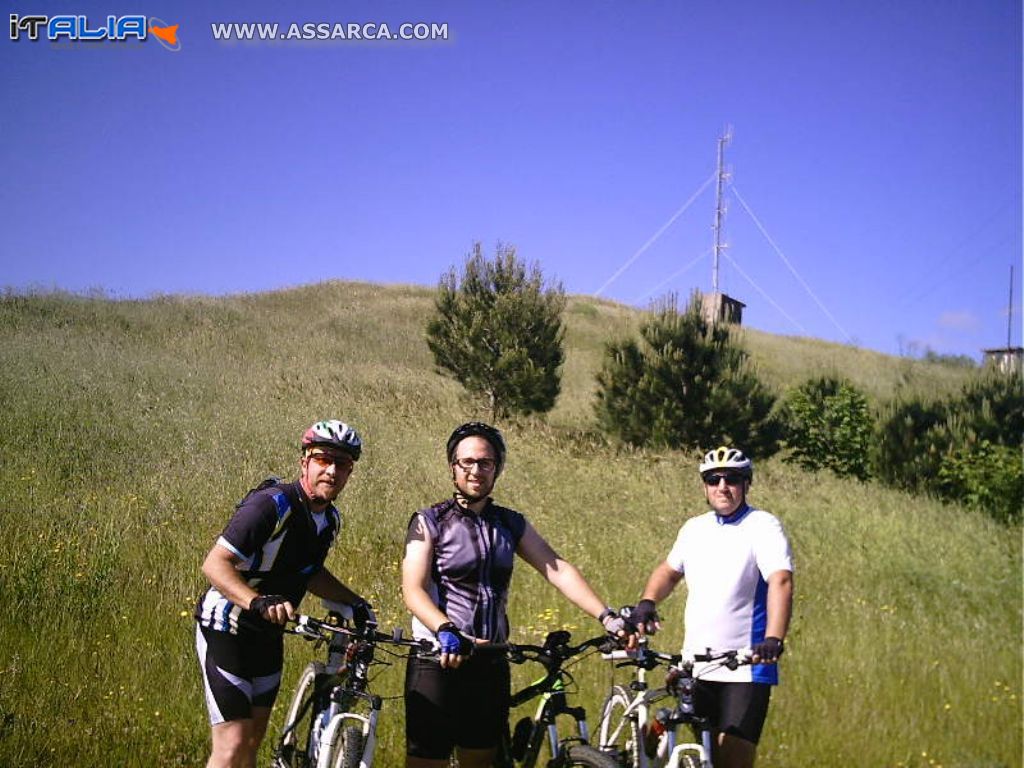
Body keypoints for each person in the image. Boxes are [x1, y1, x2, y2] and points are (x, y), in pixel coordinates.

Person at [401, 422, 634, 768]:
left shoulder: (509, 524)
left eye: (485, 462)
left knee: (480, 760)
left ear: (497, 468)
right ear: (452, 467)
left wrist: (607, 616)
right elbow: (413, 589)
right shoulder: (430, 521)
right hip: (438, 659)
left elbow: (557, 568)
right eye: (466, 462)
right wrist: (445, 628)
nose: (475, 470)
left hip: (490, 661)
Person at [194, 420, 376, 768]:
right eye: (323, 459)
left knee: (251, 744)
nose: (332, 470)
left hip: (268, 635)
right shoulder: (271, 505)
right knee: (231, 745)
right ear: (304, 461)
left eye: (343, 464)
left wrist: (355, 603)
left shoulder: (329, 520)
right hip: (226, 627)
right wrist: (257, 600)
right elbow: (215, 564)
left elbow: (310, 572)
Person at [628, 446, 794, 768]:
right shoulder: (695, 528)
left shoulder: (763, 526)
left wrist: (774, 638)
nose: (722, 486)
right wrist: (648, 601)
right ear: (704, 486)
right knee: (673, 741)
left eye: (731, 479)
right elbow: (669, 572)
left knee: (730, 755)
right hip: (697, 663)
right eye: (713, 479)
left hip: (745, 665)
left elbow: (781, 581)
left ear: (746, 484)